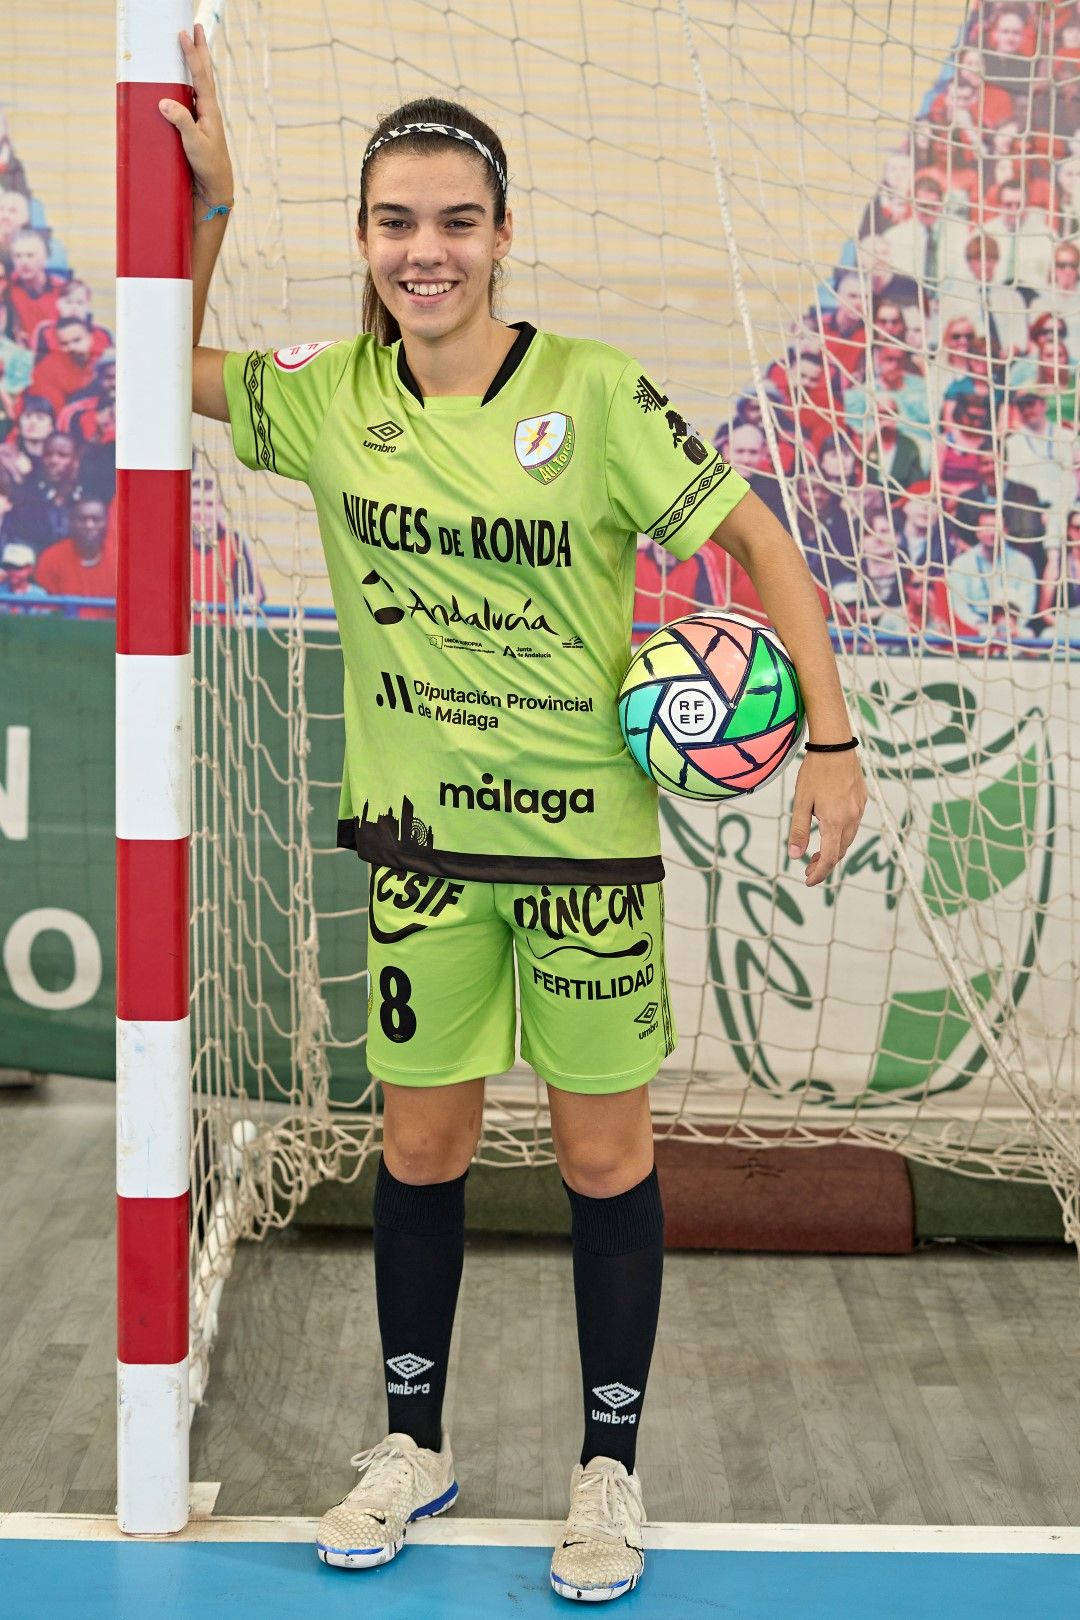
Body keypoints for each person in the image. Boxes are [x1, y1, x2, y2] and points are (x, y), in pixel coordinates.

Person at [160, 26, 866, 1603]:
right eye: (396, 223)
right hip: (419, 856)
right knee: (420, 1144)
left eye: (455, 221)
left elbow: (761, 547)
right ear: (363, 239)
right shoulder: (330, 397)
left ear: (500, 233)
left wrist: (829, 735)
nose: (427, 251)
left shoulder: (596, 395)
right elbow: (163, 369)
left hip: (586, 859)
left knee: (606, 1161)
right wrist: (216, 212)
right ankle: (411, 1442)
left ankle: (609, 1471)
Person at [34, 496, 115, 619]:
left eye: (96, 519)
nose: (89, 525)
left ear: (106, 523)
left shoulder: (122, 560)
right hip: (64, 632)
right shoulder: (51, 558)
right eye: (82, 520)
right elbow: (45, 609)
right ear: (71, 523)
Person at [0, 539, 50, 614]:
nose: (12, 571)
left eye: (18, 567)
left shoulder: (40, 595)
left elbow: (44, 622)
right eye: (8, 566)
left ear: (30, 569)